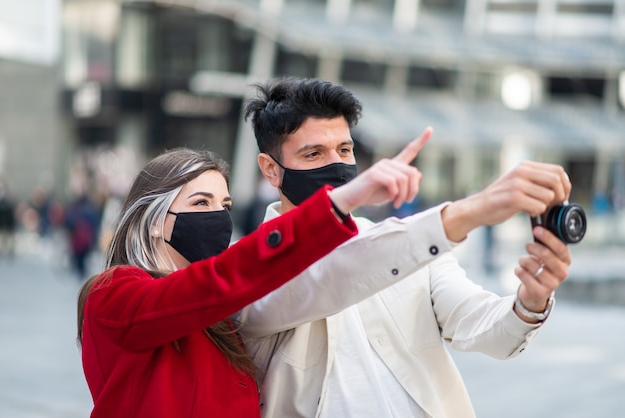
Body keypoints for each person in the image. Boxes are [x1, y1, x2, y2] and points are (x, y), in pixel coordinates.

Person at [238, 77, 573, 418]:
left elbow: (480, 325)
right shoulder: (244, 270)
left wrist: (530, 301)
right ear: (271, 169)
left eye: (344, 150)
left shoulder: (407, 245)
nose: (336, 166)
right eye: (313, 154)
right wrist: (469, 212)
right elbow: (330, 275)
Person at [76, 143, 428, 418]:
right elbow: (223, 279)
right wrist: (343, 200)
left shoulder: (218, 314)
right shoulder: (114, 293)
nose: (217, 216)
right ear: (153, 219)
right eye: (201, 203)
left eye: (224, 205)